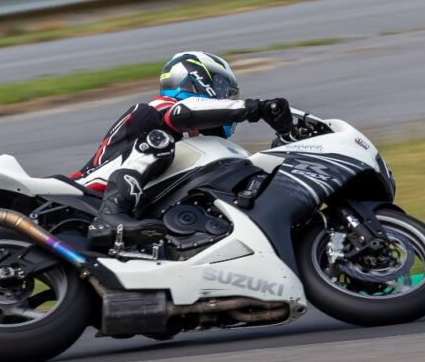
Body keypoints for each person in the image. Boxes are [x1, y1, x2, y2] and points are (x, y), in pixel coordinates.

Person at [72, 51, 294, 248]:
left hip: (132, 200)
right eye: (222, 88)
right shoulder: (158, 108)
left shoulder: (186, 137)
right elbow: (184, 112)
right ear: (196, 80)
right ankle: (110, 215)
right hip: (88, 190)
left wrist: (285, 139)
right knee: (159, 142)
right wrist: (256, 108)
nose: (226, 96)